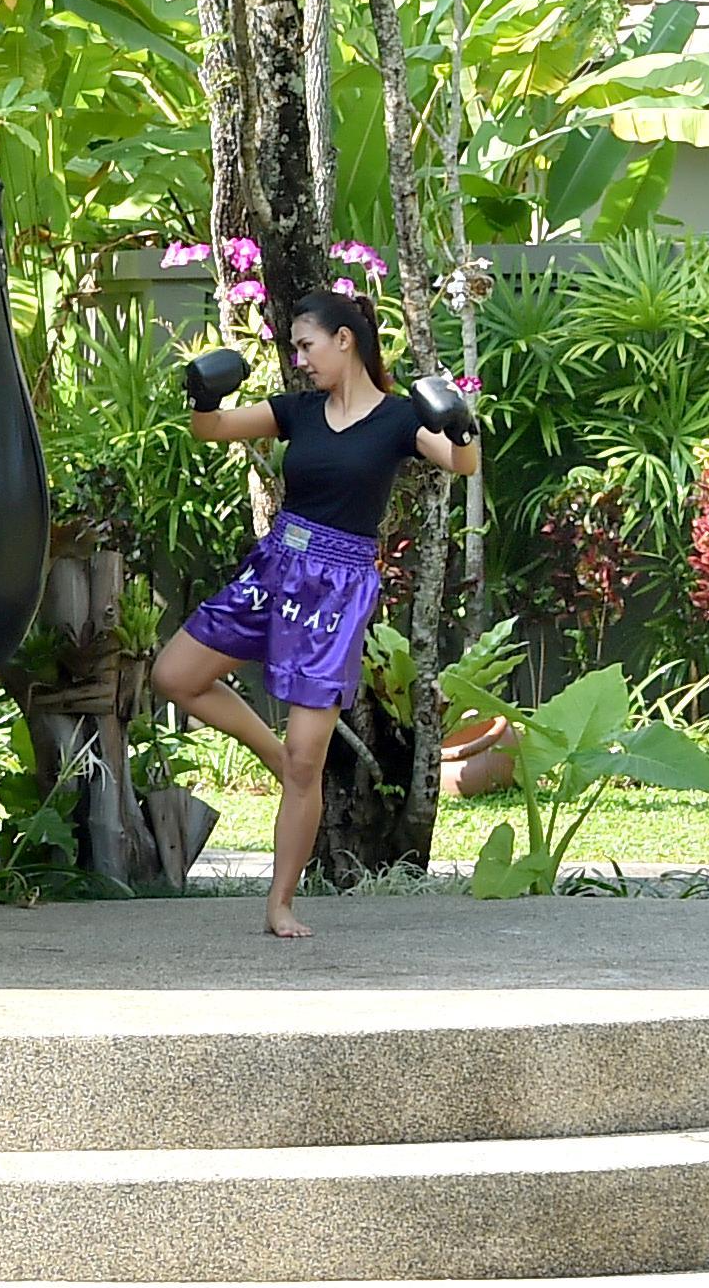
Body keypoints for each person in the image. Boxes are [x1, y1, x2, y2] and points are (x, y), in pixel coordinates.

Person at [156, 279, 480, 939]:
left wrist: (460, 420)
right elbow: (211, 429)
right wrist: (203, 393)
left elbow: (462, 463)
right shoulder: (298, 411)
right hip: (278, 566)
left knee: (311, 760)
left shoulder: (397, 419)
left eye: (307, 346)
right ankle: (273, 758)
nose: (300, 358)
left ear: (344, 340)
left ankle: (280, 903)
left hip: (337, 590)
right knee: (175, 676)